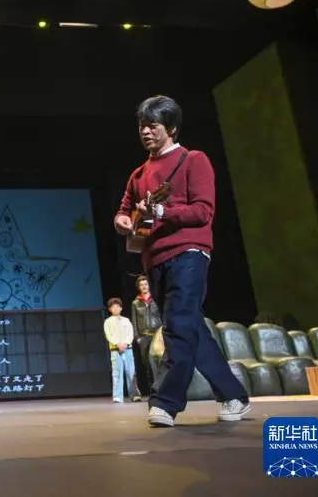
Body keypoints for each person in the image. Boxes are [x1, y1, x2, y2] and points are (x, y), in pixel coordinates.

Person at [114, 95, 250, 427]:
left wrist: (162, 210)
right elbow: (124, 209)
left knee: (177, 325)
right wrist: (122, 221)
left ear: (172, 128)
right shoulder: (138, 174)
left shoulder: (193, 160)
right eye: (142, 126)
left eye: (153, 125)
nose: (145, 131)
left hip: (189, 253)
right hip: (154, 258)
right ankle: (234, 395)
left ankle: (166, 402)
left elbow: (203, 212)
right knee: (189, 328)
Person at [103, 298, 142, 403]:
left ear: (121, 308)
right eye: (113, 307)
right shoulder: (108, 322)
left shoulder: (126, 320)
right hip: (115, 350)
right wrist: (117, 343)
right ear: (110, 309)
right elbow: (109, 335)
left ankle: (135, 395)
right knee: (117, 373)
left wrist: (126, 343)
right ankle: (117, 396)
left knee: (131, 372)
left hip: (127, 349)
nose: (115, 309)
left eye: (117, 307)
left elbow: (130, 333)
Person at [130, 275, 161, 394]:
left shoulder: (156, 299)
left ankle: (161, 389)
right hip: (144, 336)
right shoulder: (135, 303)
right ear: (138, 287)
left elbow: (162, 316)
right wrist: (137, 338)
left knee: (159, 362)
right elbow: (134, 322)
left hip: (157, 335)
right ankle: (153, 390)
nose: (144, 286)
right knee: (148, 364)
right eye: (141, 285)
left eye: (145, 284)